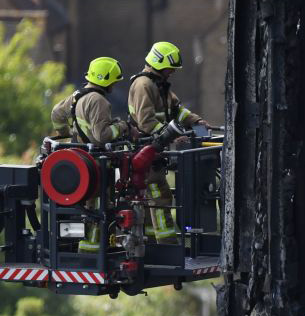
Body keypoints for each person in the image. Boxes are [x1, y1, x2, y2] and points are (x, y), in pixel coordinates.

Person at [127, 41, 207, 244]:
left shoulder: (158, 85)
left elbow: (178, 110)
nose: (172, 72)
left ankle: (150, 241)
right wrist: (171, 135)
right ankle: (167, 243)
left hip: (155, 152)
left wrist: (196, 121)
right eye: (170, 67)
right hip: (146, 152)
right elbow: (146, 123)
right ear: (159, 63)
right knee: (160, 196)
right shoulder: (143, 85)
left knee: (151, 199)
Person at [50, 56, 130, 253]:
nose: (115, 84)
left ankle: (87, 247)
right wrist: (122, 126)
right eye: (114, 80)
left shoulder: (77, 96)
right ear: (108, 80)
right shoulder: (100, 101)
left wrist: (65, 134)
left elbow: (56, 114)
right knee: (101, 206)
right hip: (96, 165)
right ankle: (93, 250)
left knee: (86, 206)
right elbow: (102, 136)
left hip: (79, 163)